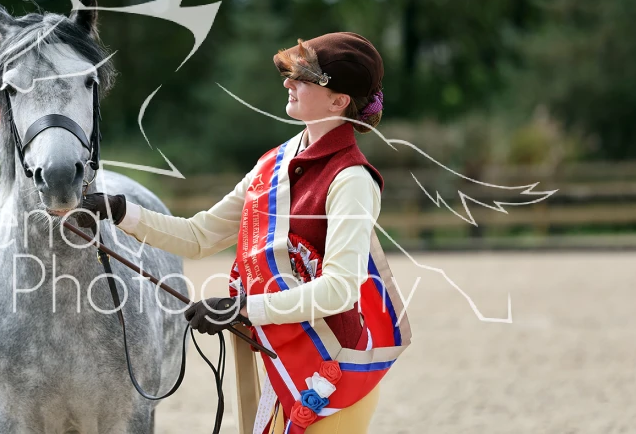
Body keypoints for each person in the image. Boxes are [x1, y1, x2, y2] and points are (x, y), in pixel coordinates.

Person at [78, 32, 411, 434]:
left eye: (304, 77)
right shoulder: (272, 165)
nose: (288, 82)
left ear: (338, 101)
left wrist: (242, 309)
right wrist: (121, 211)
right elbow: (200, 236)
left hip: (331, 375)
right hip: (278, 364)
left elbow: (339, 290)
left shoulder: (352, 179)